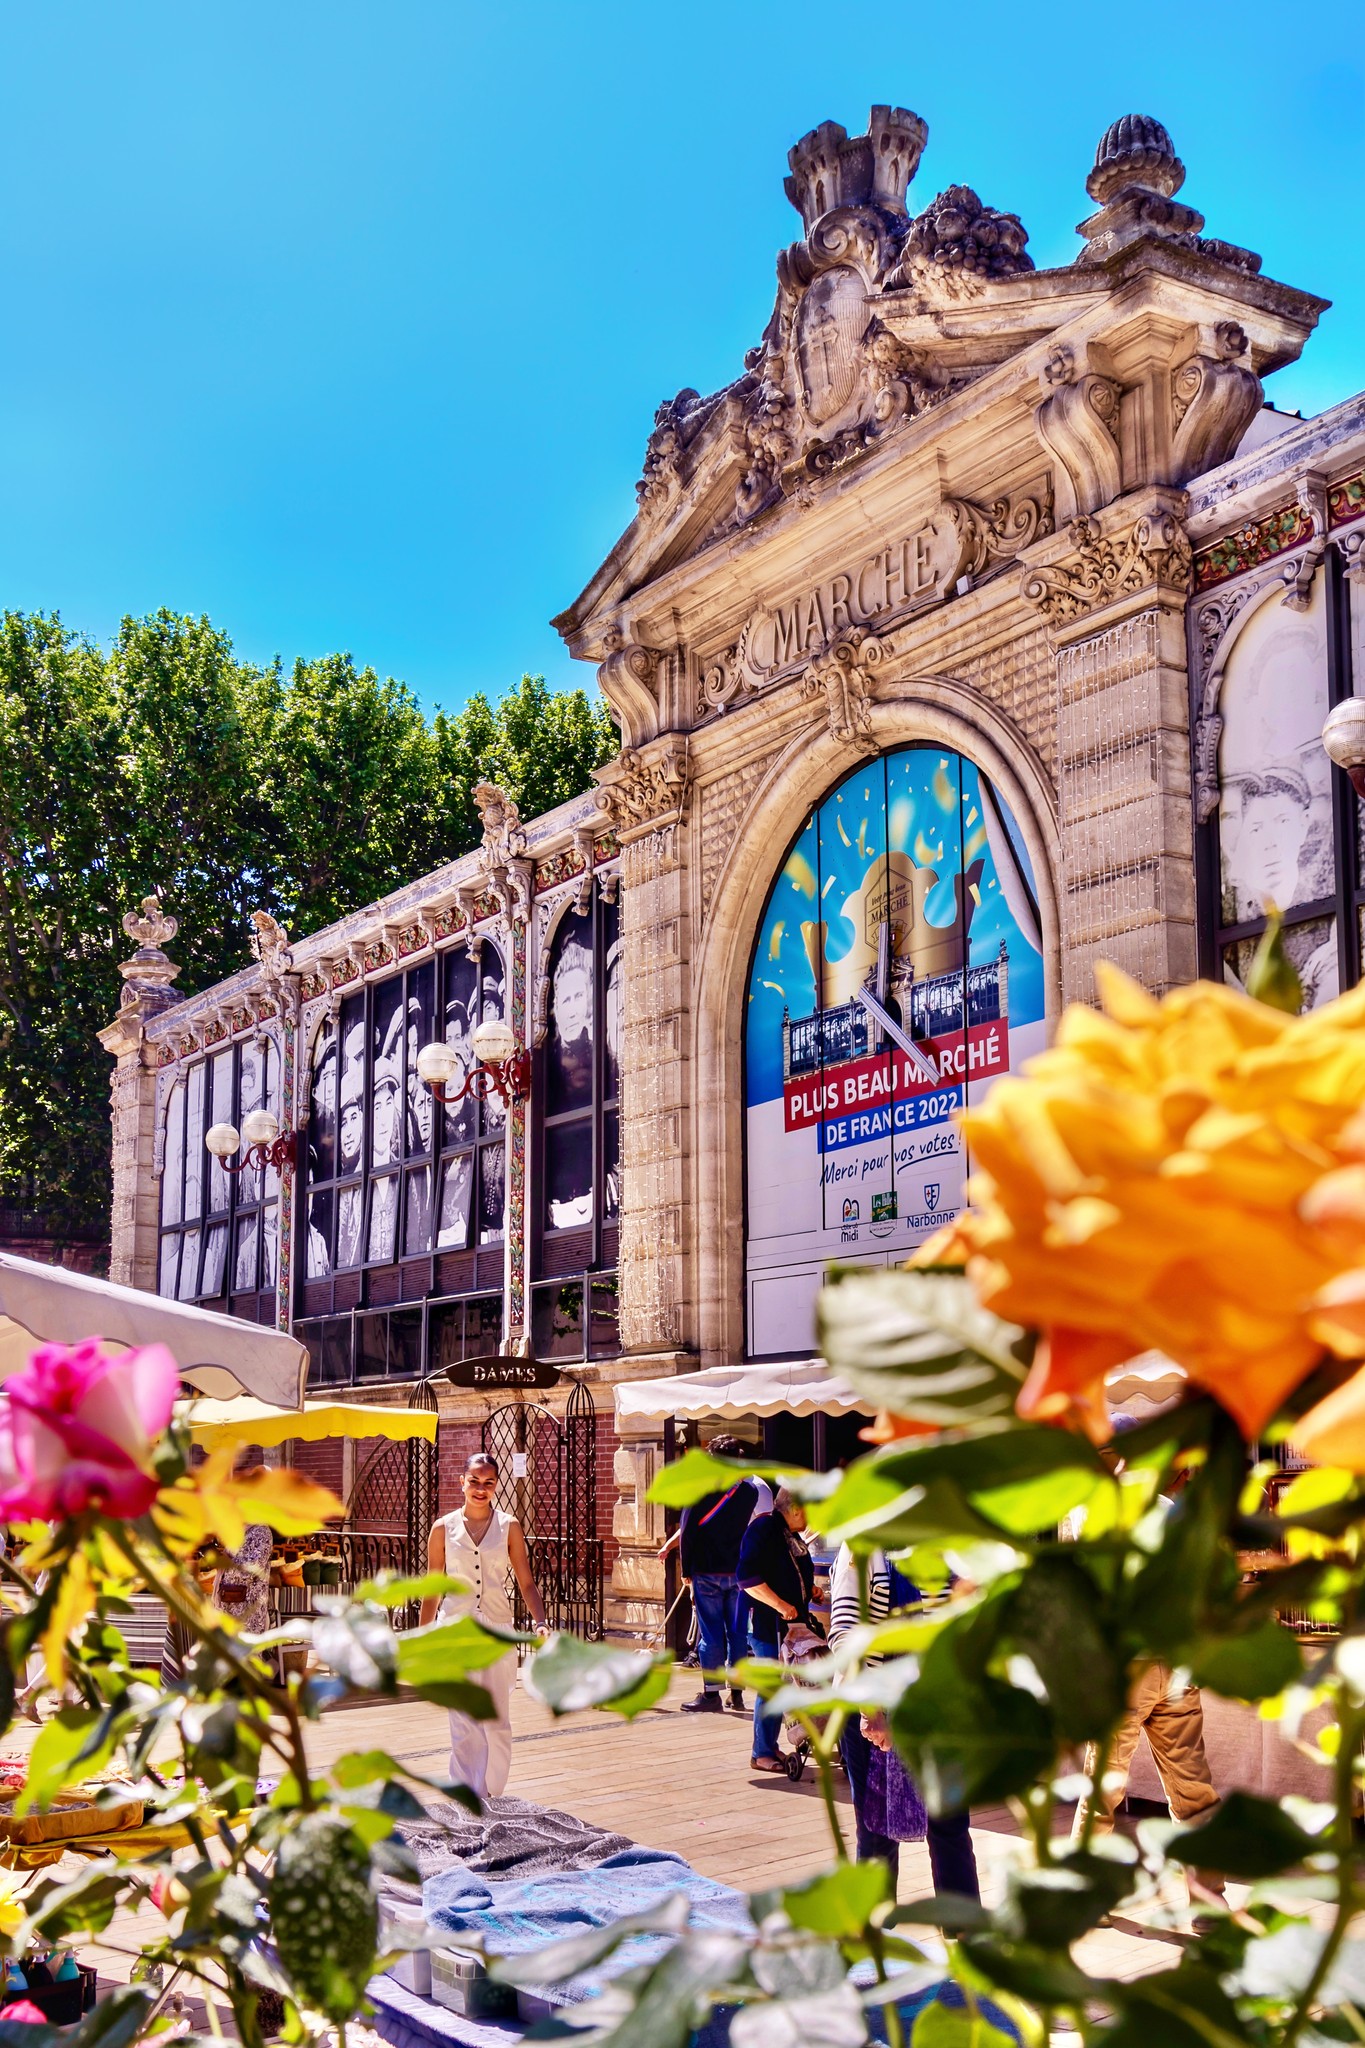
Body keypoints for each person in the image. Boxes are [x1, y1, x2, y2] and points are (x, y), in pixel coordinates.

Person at [829, 1544, 980, 1902]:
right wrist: (872, 1713)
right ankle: (874, 1934)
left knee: (951, 1824)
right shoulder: (864, 1543)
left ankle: (965, 1928)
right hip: (876, 1705)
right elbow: (845, 1637)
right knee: (876, 1831)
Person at [419, 1452, 547, 1797]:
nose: (480, 1488)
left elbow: (527, 1583)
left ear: (495, 1486)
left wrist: (541, 1621)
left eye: (488, 1482)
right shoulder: (442, 1528)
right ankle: (468, 1796)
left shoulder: (510, 1527)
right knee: (462, 1720)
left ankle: (492, 1793)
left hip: (497, 1631)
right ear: (461, 1482)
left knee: (496, 1720)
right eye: (474, 1481)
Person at [737, 1487, 816, 1774]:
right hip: (765, 1624)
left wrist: (810, 1591)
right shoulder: (764, 1527)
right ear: (795, 1508)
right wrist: (781, 1604)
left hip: (788, 1625)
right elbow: (747, 1579)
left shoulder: (789, 1534)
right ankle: (761, 1753)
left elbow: (791, 1571)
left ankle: (769, 1746)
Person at [677, 1435, 756, 1716]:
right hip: (736, 1571)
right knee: (736, 1633)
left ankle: (711, 1693)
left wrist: (686, 1570)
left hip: (706, 1571)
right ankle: (736, 1693)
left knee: (711, 1633)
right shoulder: (749, 1493)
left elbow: (687, 1532)